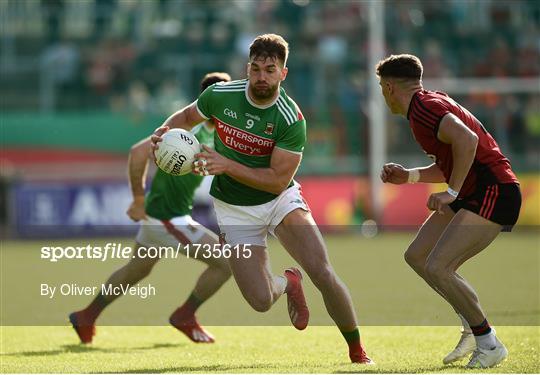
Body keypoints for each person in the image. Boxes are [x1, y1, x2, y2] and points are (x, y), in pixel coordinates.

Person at [151, 34, 372, 364]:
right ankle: (287, 282)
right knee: (260, 300)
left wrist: (226, 164)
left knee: (322, 272)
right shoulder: (220, 95)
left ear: (283, 73)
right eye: (255, 68)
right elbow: (184, 119)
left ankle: (357, 350)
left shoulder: (290, 119)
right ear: (247, 68)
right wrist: (163, 133)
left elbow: (277, 181)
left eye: (270, 69)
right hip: (234, 209)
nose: (261, 76)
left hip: (280, 200)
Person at [376, 54, 521, 368]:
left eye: (380, 88)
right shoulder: (428, 104)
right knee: (417, 256)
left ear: (388, 87)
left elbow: (467, 141)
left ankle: (488, 342)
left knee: (439, 266)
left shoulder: (425, 109)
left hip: (493, 190)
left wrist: (452, 192)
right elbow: (452, 161)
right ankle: (472, 324)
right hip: (475, 192)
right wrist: (410, 176)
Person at [69, 72, 233, 344]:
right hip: (167, 217)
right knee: (226, 264)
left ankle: (86, 315)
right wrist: (137, 199)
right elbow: (137, 152)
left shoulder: (213, 132)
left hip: (166, 213)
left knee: (137, 270)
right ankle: (185, 314)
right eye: (225, 99)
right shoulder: (186, 130)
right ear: (210, 100)